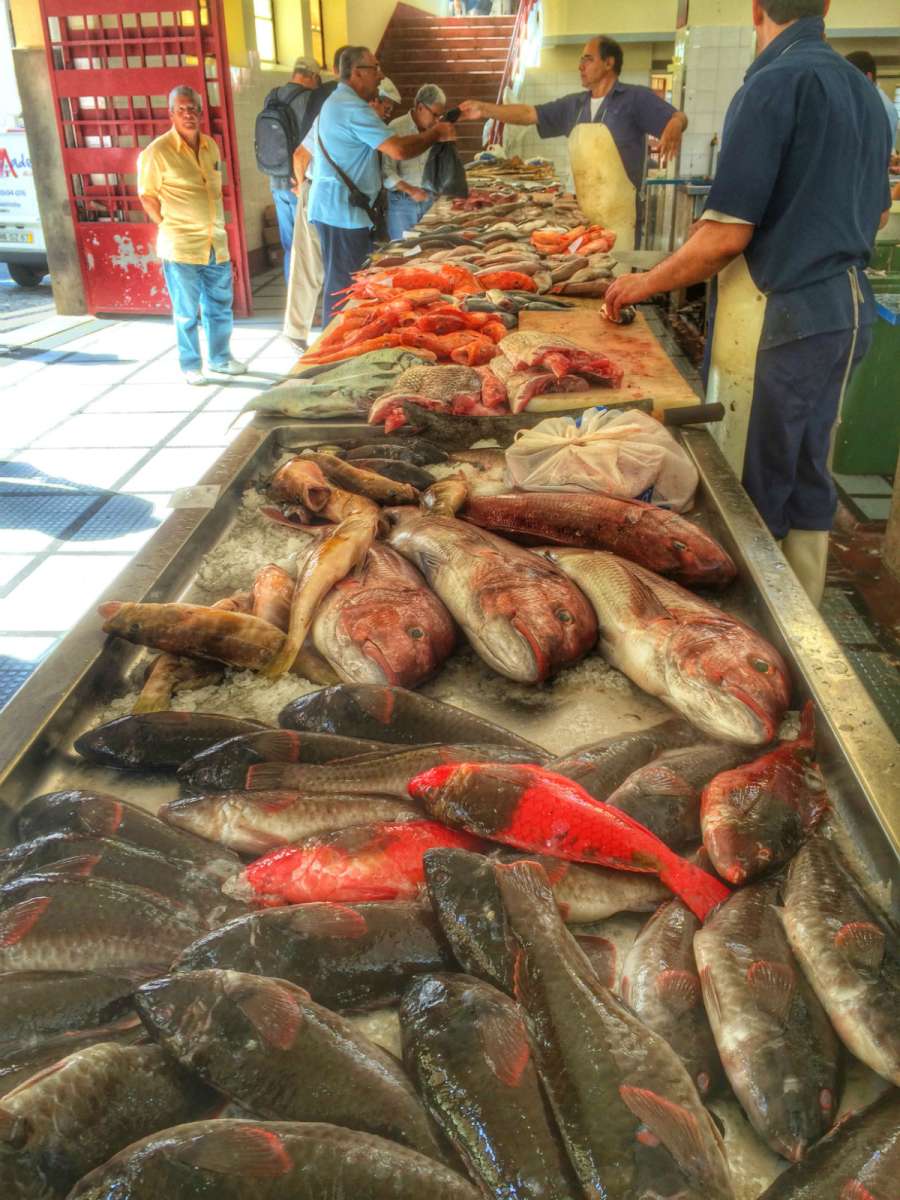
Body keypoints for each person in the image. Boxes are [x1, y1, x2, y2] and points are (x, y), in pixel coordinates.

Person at [604, 0, 892, 606]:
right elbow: (881, 209)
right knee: (810, 465)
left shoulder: (771, 83)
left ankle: (749, 633)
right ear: (828, 7)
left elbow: (725, 237)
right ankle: (802, 620)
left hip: (783, 315)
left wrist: (641, 282)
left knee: (753, 483)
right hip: (846, 312)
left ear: (756, 7)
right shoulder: (864, 93)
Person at [459, 35, 687, 228]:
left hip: (622, 214)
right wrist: (486, 109)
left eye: (587, 59)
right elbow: (530, 114)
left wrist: (675, 125)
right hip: (581, 211)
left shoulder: (635, 98)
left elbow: (678, 117)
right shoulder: (574, 105)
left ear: (609, 63)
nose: (580, 66)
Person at [308, 46, 455, 326]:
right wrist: (435, 133)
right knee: (345, 287)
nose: (380, 75)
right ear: (356, 73)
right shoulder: (350, 107)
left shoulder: (344, 103)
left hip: (344, 210)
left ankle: (342, 341)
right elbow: (397, 150)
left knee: (349, 282)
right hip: (341, 212)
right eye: (375, 68)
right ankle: (335, 351)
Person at [137, 85, 246, 385]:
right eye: (182, 109)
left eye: (193, 109)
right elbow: (147, 196)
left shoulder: (210, 145)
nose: (188, 114)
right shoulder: (157, 152)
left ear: (201, 112)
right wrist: (168, 224)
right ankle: (190, 365)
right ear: (171, 113)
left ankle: (221, 359)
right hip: (180, 246)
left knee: (220, 306)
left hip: (215, 243)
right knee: (186, 312)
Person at [262, 57, 329, 282]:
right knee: (309, 244)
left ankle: (294, 293)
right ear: (312, 77)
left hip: (276, 180)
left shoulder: (271, 96)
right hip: (301, 183)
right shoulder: (311, 99)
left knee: (290, 244)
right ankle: (311, 298)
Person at [383, 84, 447, 240]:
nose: (437, 120)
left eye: (440, 116)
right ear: (420, 107)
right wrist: (411, 190)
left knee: (430, 251)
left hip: (430, 198)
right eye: (435, 115)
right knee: (402, 251)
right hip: (402, 203)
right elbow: (386, 172)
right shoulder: (396, 128)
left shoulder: (436, 131)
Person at [845, 50, 898, 146]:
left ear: (868, 77)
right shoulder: (865, 102)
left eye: (851, 77)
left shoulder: (882, 107)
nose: (847, 83)